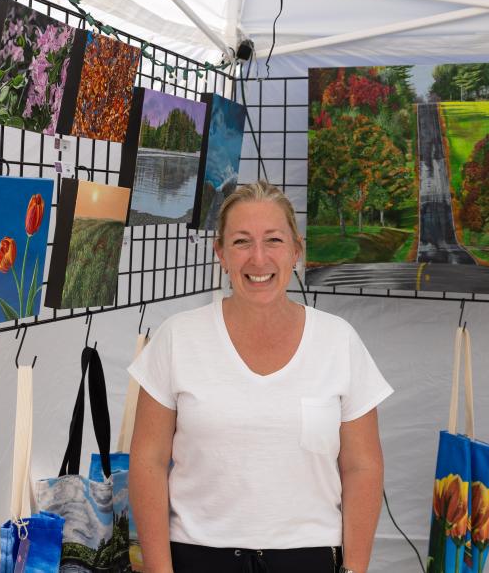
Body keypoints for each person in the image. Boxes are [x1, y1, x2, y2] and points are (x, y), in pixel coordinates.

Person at [128, 180, 393, 573]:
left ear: (296, 250)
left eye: (273, 240)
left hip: (310, 559)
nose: (258, 258)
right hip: (198, 557)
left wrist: (353, 569)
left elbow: (363, 466)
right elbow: (147, 461)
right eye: (241, 242)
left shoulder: (339, 341)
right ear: (220, 252)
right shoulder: (177, 337)